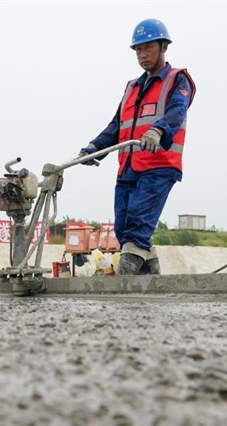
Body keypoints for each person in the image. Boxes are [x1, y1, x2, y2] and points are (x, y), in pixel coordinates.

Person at [79, 19, 196, 275]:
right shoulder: (132, 87)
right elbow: (116, 125)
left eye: (148, 48)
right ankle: (151, 279)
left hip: (159, 168)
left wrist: (159, 129)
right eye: (138, 50)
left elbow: (177, 111)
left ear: (164, 46)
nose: (142, 55)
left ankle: (125, 285)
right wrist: (94, 146)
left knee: (137, 226)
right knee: (123, 229)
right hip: (128, 169)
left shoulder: (178, 80)